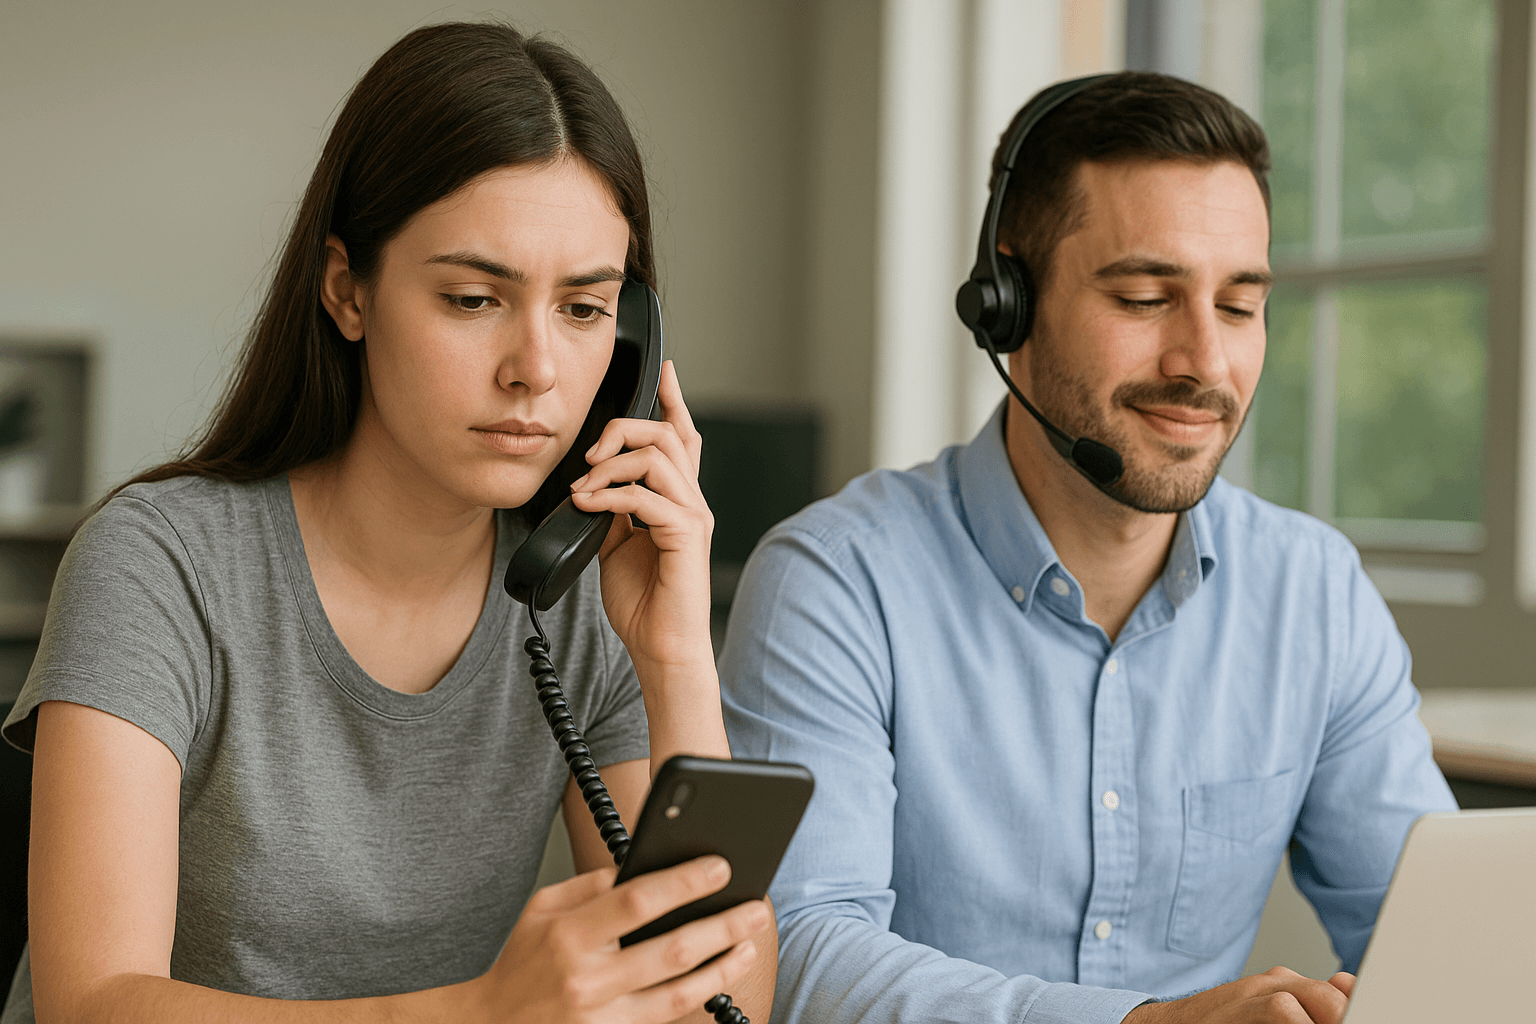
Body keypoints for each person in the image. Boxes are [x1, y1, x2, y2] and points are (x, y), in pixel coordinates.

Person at [2, 22, 774, 1024]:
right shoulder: (161, 561)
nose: (535, 368)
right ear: (346, 290)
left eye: (584, 311)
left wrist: (676, 660)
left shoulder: (586, 600)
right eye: (471, 297)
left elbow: (729, 1003)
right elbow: (91, 1004)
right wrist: (481, 1013)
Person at [719, 72, 1456, 1024]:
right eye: (1148, 297)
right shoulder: (834, 583)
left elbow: (1436, 934)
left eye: (1238, 307)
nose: (1205, 363)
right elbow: (799, 955)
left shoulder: (1313, 591)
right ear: (1007, 307)